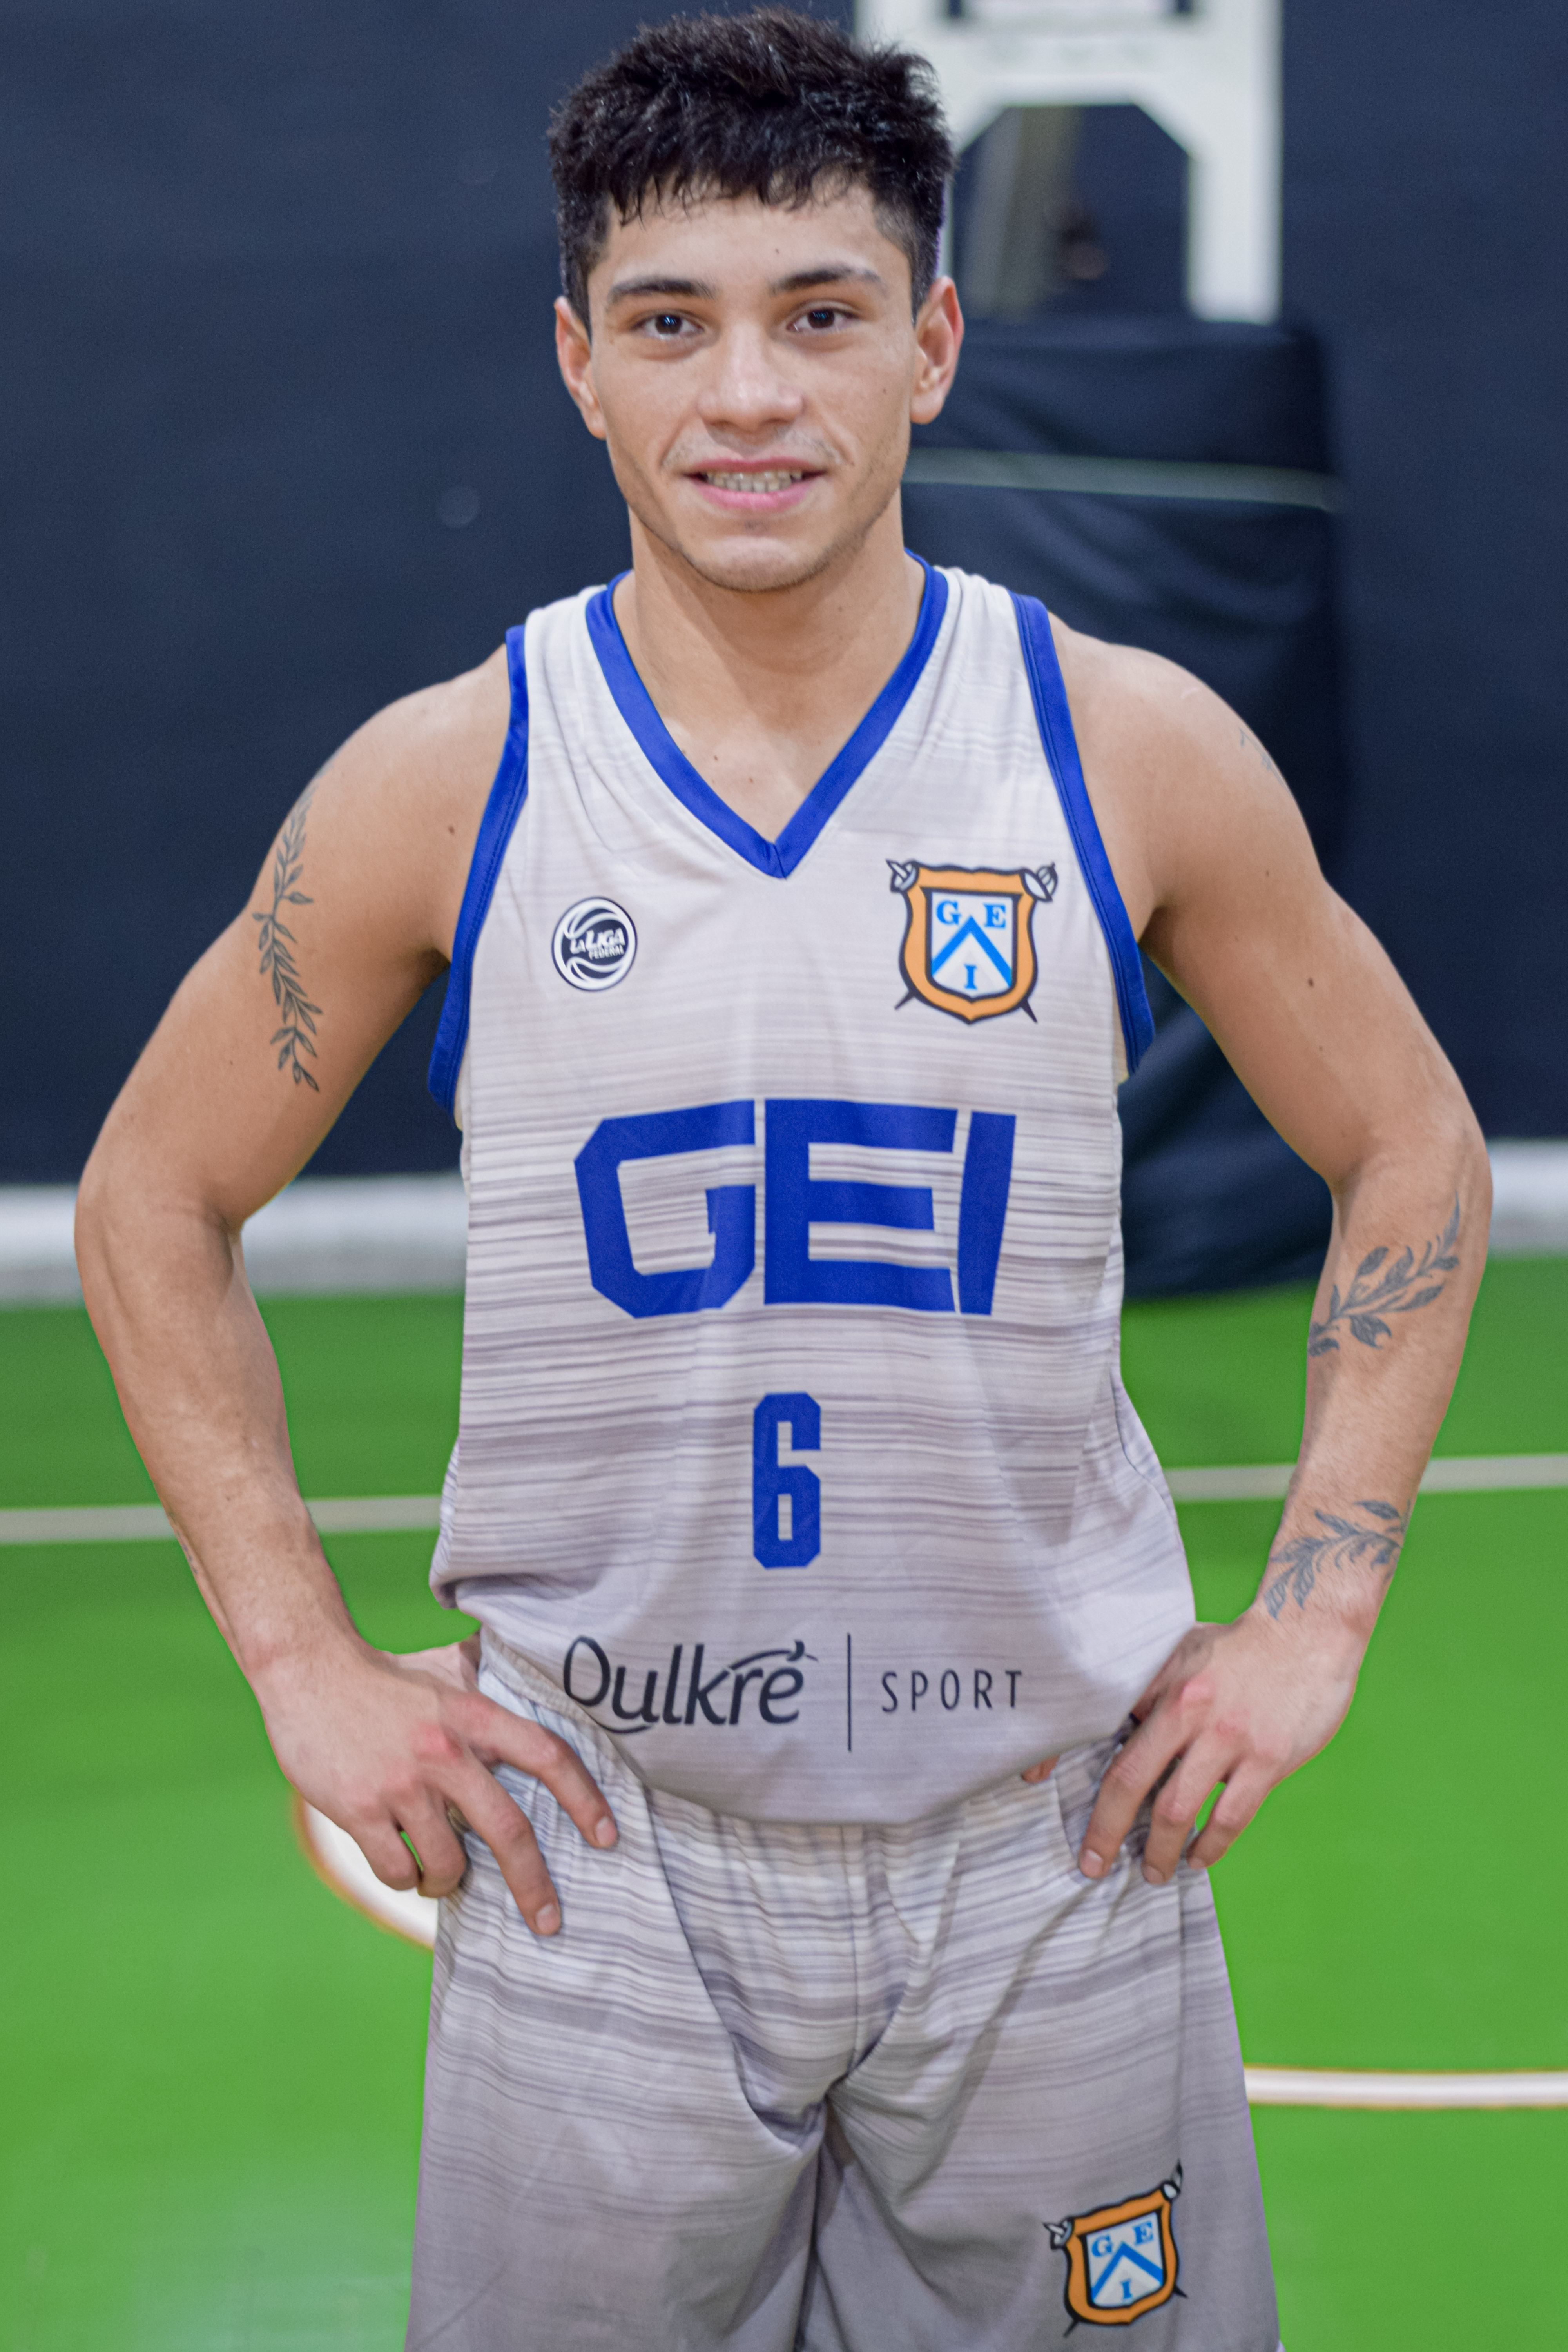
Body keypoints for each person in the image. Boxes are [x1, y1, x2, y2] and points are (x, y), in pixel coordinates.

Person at [76, 11, 1488, 2348]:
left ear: (930, 346)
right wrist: (298, 1659)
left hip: (1054, 1849)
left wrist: (1316, 1616)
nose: (747, 395)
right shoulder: (452, 778)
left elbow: (1409, 1144)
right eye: (670, 324)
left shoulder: (1120, 747)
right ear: (578, 367)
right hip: (602, 1856)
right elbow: (150, 1197)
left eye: (819, 315)